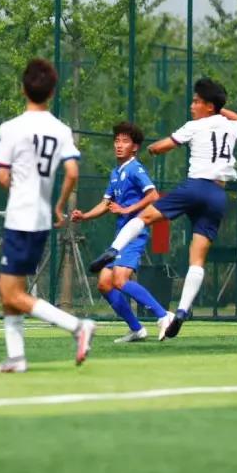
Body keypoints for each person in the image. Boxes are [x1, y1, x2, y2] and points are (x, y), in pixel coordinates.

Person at [89, 77, 237, 340]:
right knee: (197, 259)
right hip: (218, 195)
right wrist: (221, 109)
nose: (192, 106)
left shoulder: (194, 126)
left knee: (144, 217)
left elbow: (161, 146)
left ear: (209, 106)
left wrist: (153, 149)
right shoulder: (231, 127)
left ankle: (113, 249)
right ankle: (182, 310)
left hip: (196, 186)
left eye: (196, 101)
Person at [0, 58, 96, 373]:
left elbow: (2, 176)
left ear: (23, 89)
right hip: (40, 218)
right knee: (12, 288)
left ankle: (78, 327)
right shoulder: (60, 129)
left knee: (9, 291)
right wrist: (59, 205)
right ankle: (16, 358)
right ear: (52, 92)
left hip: (19, 217)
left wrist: (14, 182)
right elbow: (72, 172)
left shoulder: (10, 128)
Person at [72, 121, 172, 342]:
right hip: (120, 237)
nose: (119, 145)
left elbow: (153, 195)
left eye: (125, 141)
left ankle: (164, 315)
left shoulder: (135, 169)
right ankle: (137, 329)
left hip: (134, 234)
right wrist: (85, 216)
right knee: (104, 283)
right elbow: (106, 203)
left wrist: (127, 209)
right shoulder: (116, 173)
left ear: (134, 147)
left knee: (119, 280)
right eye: (117, 141)